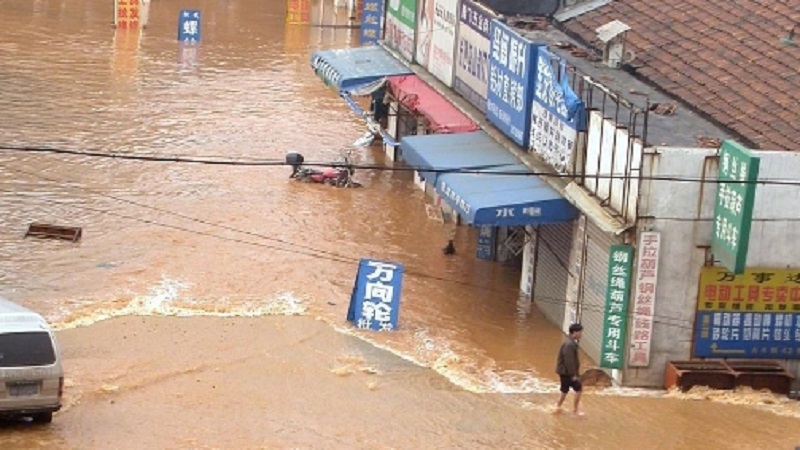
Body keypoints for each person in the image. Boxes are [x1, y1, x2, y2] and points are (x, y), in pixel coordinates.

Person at [555, 323, 584, 416]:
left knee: (564, 390)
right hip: (567, 372)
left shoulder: (569, 343)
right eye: (580, 332)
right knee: (578, 389)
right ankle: (575, 410)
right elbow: (569, 361)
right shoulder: (569, 345)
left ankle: (557, 407)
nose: (581, 334)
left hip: (565, 372)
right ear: (574, 332)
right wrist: (573, 375)